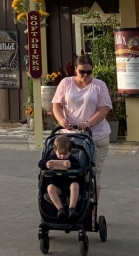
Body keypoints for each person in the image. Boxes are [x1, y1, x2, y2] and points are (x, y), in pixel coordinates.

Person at [51, 54, 112, 196]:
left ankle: (91, 207)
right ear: (75, 70)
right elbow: (56, 105)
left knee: (93, 173)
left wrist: (88, 123)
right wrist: (62, 120)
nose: (85, 75)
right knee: (70, 171)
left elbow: (104, 108)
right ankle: (71, 201)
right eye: (82, 72)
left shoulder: (99, 85)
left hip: (95, 136)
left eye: (88, 72)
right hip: (70, 137)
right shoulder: (66, 83)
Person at [39, 134, 82, 221]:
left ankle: (72, 208)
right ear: (55, 151)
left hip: (69, 186)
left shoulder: (72, 160)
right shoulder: (52, 158)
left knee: (75, 185)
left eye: (65, 154)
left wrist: (71, 165)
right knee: (50, 188)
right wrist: (46, 164)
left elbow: (79, 166)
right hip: (57, 186)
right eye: (60, 154)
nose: (62, 156)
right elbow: (40, 163)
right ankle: (60, 209)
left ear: (70, 152)